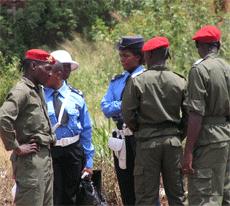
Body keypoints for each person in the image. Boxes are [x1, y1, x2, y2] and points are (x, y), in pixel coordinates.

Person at [122, 36, 186, 205]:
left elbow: (128, 114)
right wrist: (178, 134)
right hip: (173, 143)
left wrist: (140, 130)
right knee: (177, 195)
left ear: (147, 56)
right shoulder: (179, 81)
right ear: (167, 55)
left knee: (146, 197)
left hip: (147, 144)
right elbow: (189, 114)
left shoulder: (138, 81)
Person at [0, 49, 56, 206]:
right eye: (47, 68)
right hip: (30, 162)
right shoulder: (22, 90)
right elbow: (3, 117)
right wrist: (16, 147)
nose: (51, 74)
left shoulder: (38, 90)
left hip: (44, 158)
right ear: (33, 66)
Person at [182, 25, 230, 205]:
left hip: (208, 139)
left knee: (205, 196)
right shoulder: (227, 68)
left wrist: (188, 151)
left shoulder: (199, 70)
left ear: (200, 45)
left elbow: (196, 114)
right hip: (227, 136)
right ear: (218, 44)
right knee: (225, 194)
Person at [44, 50, 94, 206]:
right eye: (62, 66)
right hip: (51, 150)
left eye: (67, 67)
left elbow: (86, 129)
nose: (66, 70)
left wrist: (89, 160)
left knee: (72, 194)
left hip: (73, 151)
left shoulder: (76, 96)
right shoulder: (39, 95)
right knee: (53, 194)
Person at [101, 35, 145, 205]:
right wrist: (127, 103)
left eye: (126, 56)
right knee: (125, 185)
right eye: (120, 56)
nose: (122, 60)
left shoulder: (145, 78)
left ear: (138, 57)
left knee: (144, 185)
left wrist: (119, 105)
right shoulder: (117, 81)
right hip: (121, 138)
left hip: (140, 136)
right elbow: (106, 107)